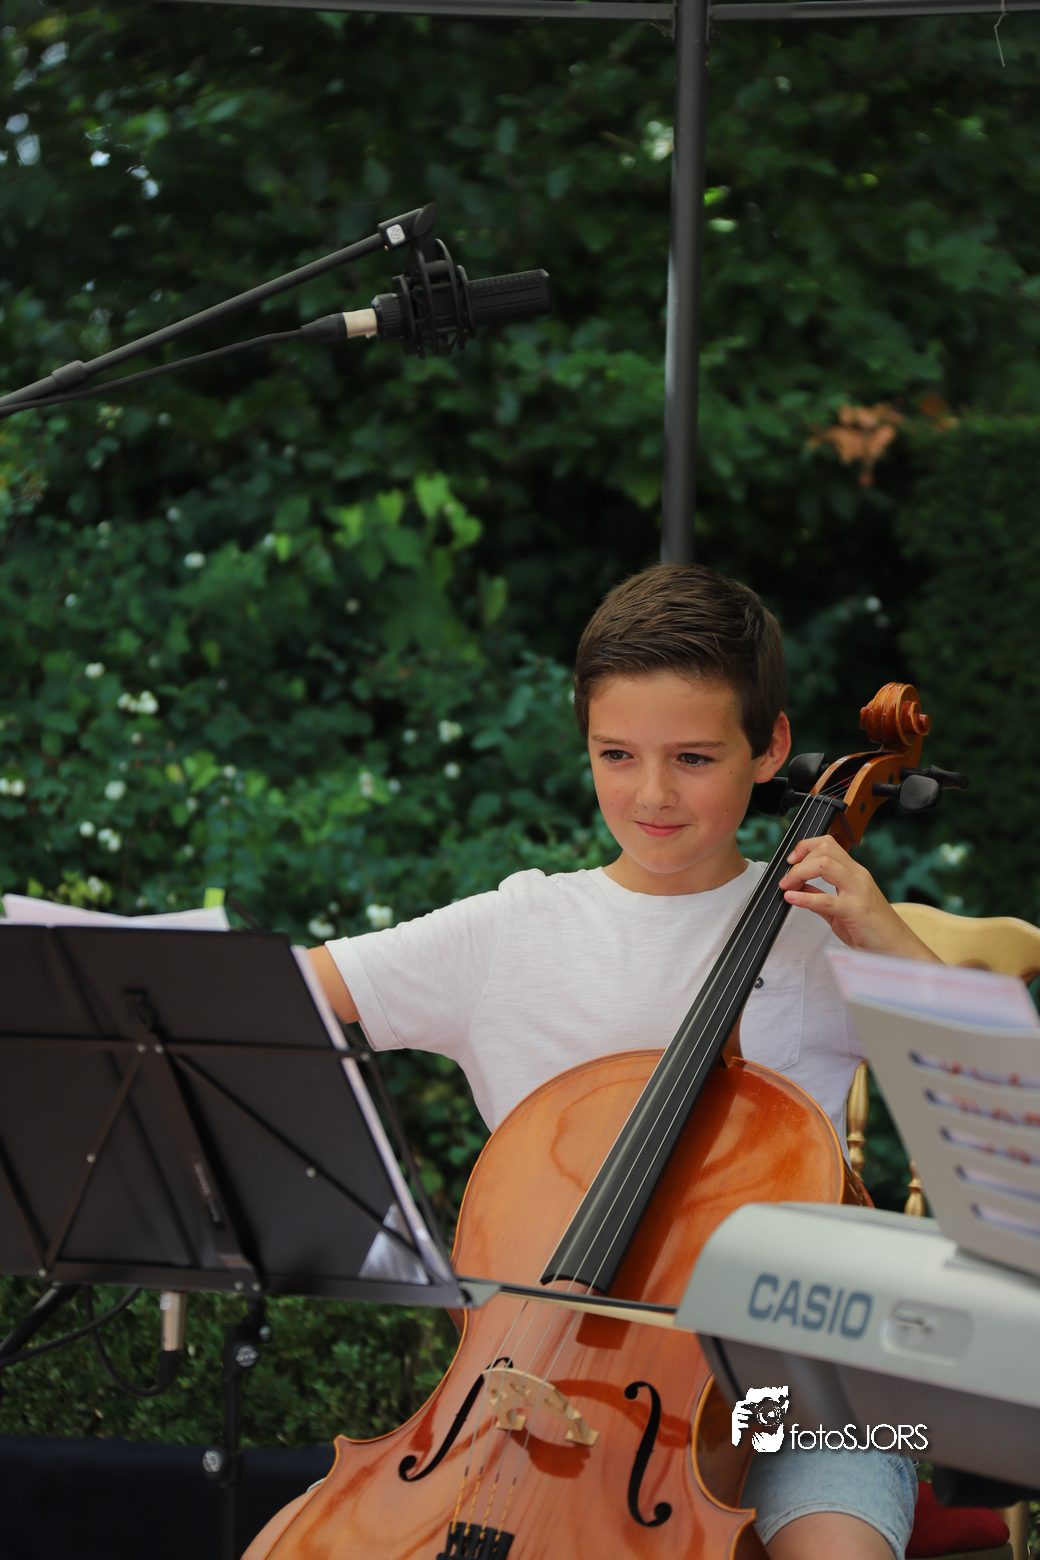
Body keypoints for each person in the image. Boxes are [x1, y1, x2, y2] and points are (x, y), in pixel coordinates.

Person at [244, 561, 936, 1560]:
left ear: (770, 748)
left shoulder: (821, 935)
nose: (652, 793)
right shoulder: (514, 931)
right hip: (527, 1388)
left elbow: (1001, 1096)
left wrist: (882, 933)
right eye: (617, 754)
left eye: (692, 758)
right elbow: (273, 1001)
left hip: (797, 1400)